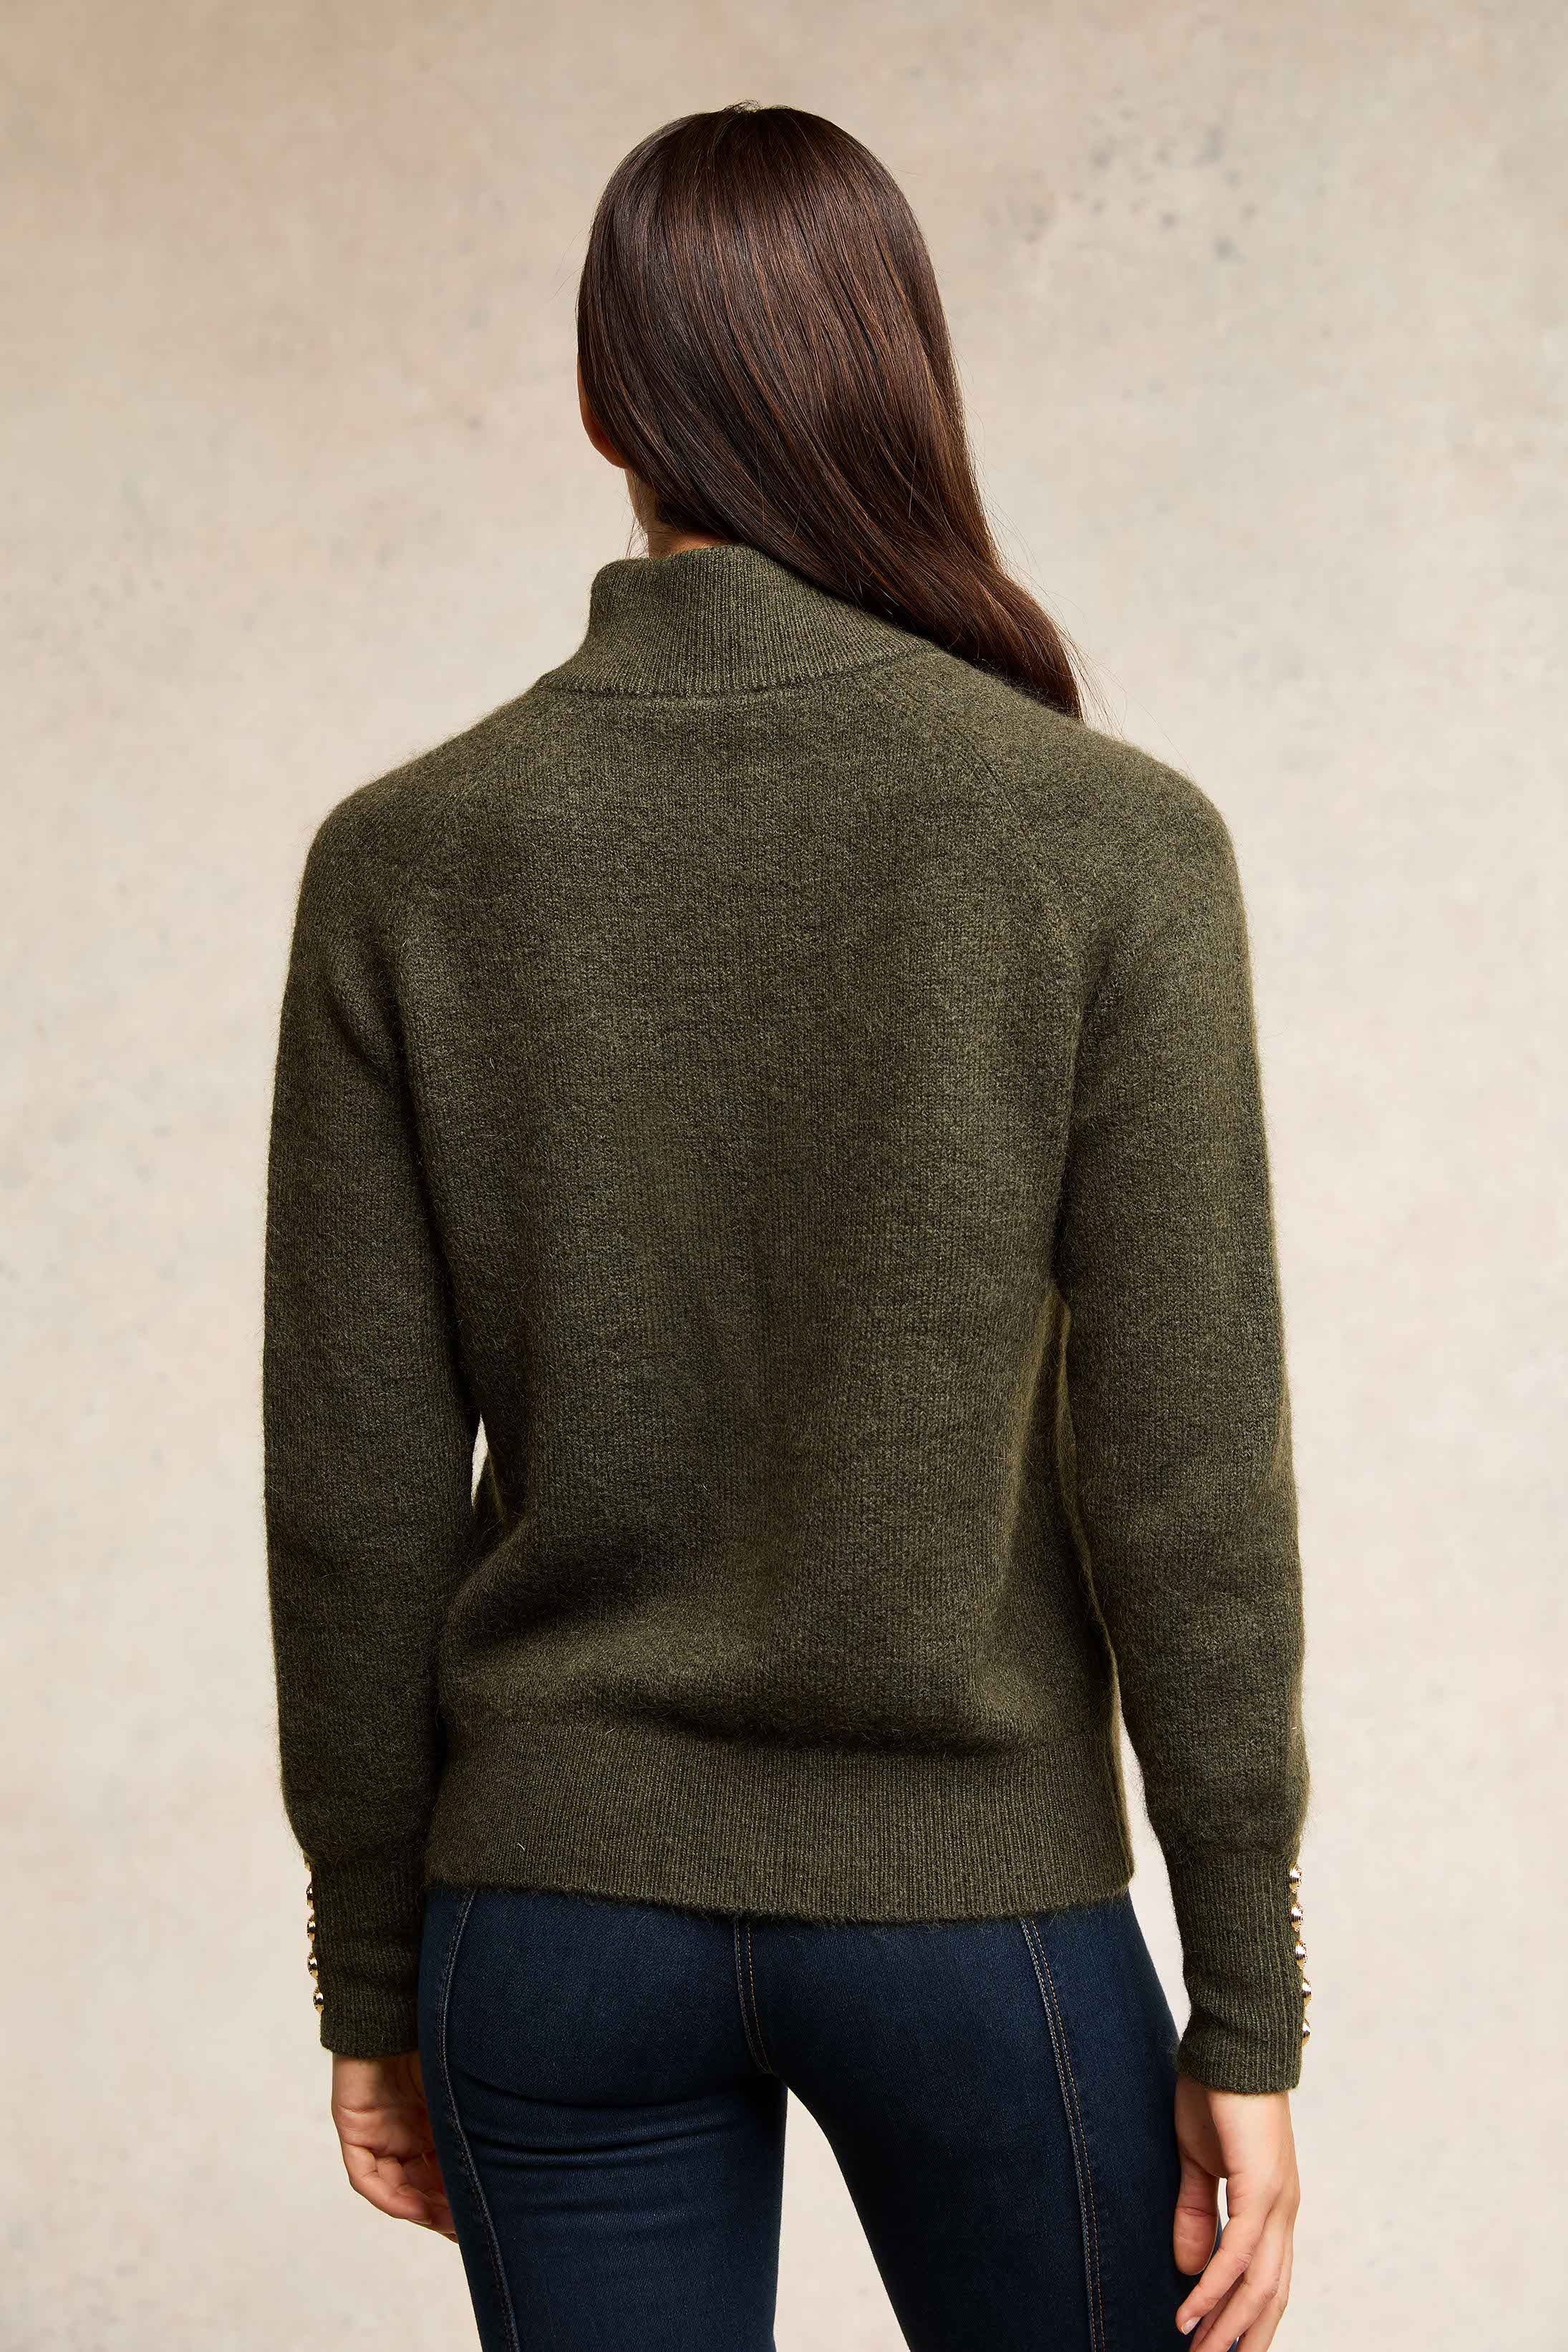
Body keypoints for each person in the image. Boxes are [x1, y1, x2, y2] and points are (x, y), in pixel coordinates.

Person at [263, 101, 1310, 2352]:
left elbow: (351, 1500)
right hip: (975, 1914)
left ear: (602, 404)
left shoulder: (409, 858)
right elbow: (1191, 1473)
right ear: (902, 375)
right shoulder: (1108, 844)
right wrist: (1247, 1995)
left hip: (550, 1916)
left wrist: (368, 1966)